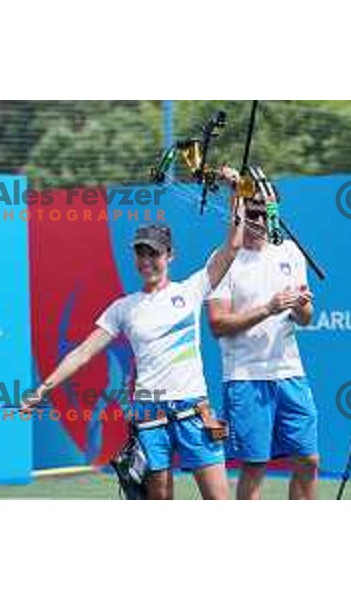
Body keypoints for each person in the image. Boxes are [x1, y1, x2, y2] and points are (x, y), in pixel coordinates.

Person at [25, 185, 244, 499]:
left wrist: (236, 193)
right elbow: (84, 352)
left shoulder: (191, 289)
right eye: (141, 253)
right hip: (149, 415)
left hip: (193, 411)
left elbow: (233, 246)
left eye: (154, 253)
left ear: (170, 256)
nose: (146, 261)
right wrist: (42, 389)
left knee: (219, 500)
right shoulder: (123, 307)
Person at [207, 176, 318, 500]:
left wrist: (300, 306)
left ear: (274, 212)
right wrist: (268, 308)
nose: (256, 220)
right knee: (255, 466)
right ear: (239, 212)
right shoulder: (223, 260)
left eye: (262, 212)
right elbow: (217, 324)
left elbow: (307, 317)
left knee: (309, 460)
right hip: (245, 377)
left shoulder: (291, 252)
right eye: (249, 212)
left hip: (289, 373)